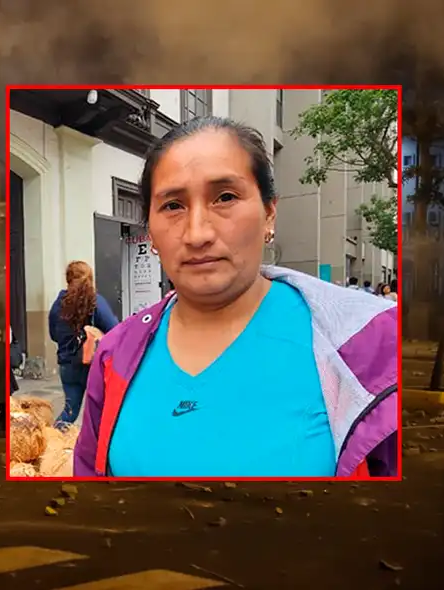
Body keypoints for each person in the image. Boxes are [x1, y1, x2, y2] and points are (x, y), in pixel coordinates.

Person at [73, 116, 398, 478]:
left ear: (269, 212)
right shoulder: (115, 355)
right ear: (150, 228)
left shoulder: (370, 348)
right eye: (173, 206)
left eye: (225, 197)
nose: (197, 234)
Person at [48, 261, 118, 426]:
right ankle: (98, 448)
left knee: (70, 411)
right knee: (101, 410)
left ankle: (52, 439)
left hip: (68, 365)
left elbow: (53, 335)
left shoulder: (58, 304)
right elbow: (115, 330)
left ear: (68, 279)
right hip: (93, 365)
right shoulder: (95, 302)